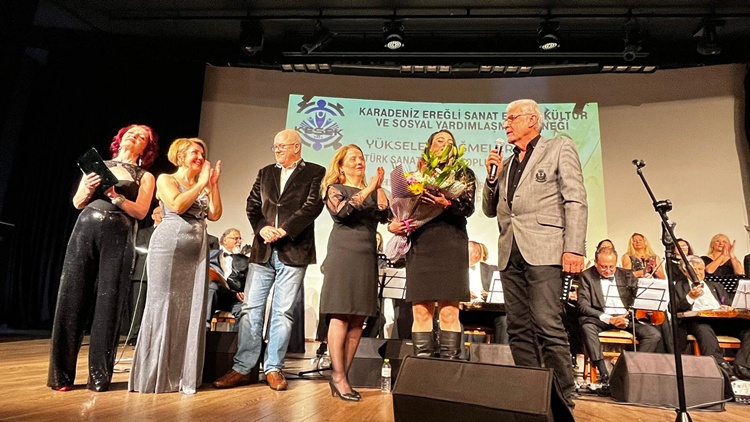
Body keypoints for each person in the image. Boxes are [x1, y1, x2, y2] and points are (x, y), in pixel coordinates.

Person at [482, 99, 587, 408]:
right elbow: (489, 210)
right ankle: (531, 392)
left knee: (546, 322)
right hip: (510, 250)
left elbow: (575, 199)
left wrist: (573, 247)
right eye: (505, 119)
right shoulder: (506, 163)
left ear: (531, 120)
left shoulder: (558, 148)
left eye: (511, 118)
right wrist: (491, 178)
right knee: (517, 327)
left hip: (545, 248)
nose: (506, 124)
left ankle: (563, 394)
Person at [48, 124, 158, 392]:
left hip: (119, 232)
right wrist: (87, 188)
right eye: (130, 132)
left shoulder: (145, 176)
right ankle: (61, 376)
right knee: (71, 296)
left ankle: (99, 377)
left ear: (147, 148)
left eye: (141, 136)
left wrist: (116, 198)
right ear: (120, 138)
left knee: (109, 302)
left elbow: (141, 212)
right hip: (87, 226)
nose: (134, 136)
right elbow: (77, 203)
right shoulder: (99, 165)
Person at [213, 129, 325, 391]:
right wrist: (262, 228)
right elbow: (252, 205)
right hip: (262, 250)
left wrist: (284, 230)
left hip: (294, 250)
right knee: (250, 308)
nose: (277, 150)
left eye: (282, 146)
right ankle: (243, 368)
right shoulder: (265, 172)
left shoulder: (315, 172)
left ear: (296, 147)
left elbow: (312, 207)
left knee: (283, 312)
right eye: (274, 146)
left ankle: (274, 367)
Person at [129, 137, 222, 394]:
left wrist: (213, 185)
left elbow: (214, 214)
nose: (200, 157)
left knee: (190, 310)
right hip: (169, 248)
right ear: (180, 156)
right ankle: (153, 376)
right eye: (195, 152)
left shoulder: (201, 185)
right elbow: (177, 205)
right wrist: (201, 184)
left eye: (202, 154)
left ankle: (181, 375)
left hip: (196, 254)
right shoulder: (166, 179)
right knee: (163, 306)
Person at [388, 130, 475, 359]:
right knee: (420, 310)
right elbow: (400, 210)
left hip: (451, 242)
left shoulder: (464, 174)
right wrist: (395, 225)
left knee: (449, 312)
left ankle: (449, 368)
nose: (445, 144)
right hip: (421, 244)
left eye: (450, 142)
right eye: (439, 140)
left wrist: (446, 203)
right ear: (429, 148)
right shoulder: (416, 176)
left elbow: (468, 208)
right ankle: (423, 368)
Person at [319, 144, 390, 401]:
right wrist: (369, 188)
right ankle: (338, 376)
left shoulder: (372, 190)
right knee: (341, 313)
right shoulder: (335, 189)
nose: (359, 161)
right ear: (341, 165)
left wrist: (379, 188)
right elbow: (343, 212)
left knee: (359, 318)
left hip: (366, 255)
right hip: (343, 254)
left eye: (361, 157)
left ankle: (343, 376)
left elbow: (385, 215)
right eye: (353, 158)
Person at [577, 247, 663, 393]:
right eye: (603, 267)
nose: (608, 271)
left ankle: (628, 371)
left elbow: (637, 298)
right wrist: (610, 319)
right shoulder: (586, 276)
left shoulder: (626, 274)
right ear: (596, 263)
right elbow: (582, 306)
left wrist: (646, 285)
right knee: (587, 327)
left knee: (653, 335)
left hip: (625, 317)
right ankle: (604, 375)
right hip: (601, 317)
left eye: (611, 267)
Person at [676, 255, 750, 381]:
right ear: (685, 271)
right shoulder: (679, 286)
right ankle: (720, 366)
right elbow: (675, 309)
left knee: (748, 327)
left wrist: (728, 308)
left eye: (700, 269)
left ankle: (742, 366)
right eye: (694, 269)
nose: (698, 272)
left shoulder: (716, 286)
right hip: (697, 321)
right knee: (703, 328)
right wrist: (690, 297)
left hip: (722, 320)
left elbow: (728, 303)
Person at [124, 206, 163, 346]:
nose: (163, 215)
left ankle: (153, 337)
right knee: (138, 307)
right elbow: (139, 249)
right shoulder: (143, 233)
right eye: (160, 212)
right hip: (142, 275)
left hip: (161, 276)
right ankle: (134, 335)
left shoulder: (169, 234)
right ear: (153, 216)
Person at [207, 228, 250, 321]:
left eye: (240, 239)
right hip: (214, 295)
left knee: (245, 313)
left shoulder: (246, 261)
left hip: (233, 298)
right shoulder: (210, 255)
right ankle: (205, 327)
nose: (239, 242)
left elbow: (250, 282)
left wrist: (246, 295)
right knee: (213, 286)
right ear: (225, 240)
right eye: (236, 238)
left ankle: (242, 331)